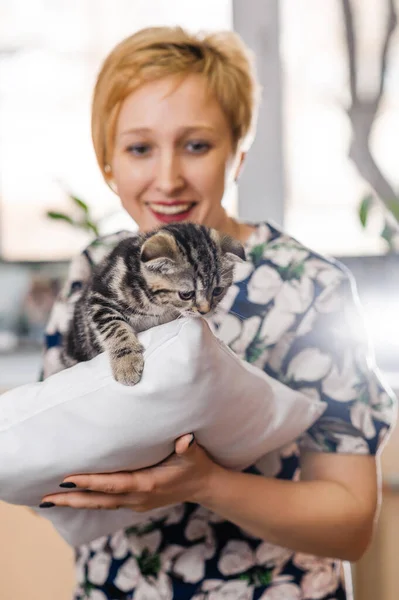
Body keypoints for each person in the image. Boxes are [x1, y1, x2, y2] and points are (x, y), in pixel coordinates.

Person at [40, 26, 396, 600]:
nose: (168, 178)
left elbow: (351, 524)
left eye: (197, 145)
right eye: (138, 148)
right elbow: (55, 438)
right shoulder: (92, 269)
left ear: (238, 154)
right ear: (108, 163)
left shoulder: (310, 288)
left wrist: (205, 483)